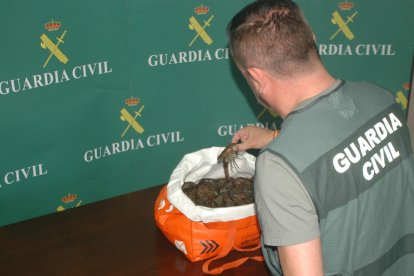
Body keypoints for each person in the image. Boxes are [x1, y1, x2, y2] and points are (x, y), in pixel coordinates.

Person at [227, 0, 414, 275]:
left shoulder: (278, 169)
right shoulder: (381, 99)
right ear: (313, 40)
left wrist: (281, 154)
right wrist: (275, 139)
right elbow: (344, 152)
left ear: (256, 77)